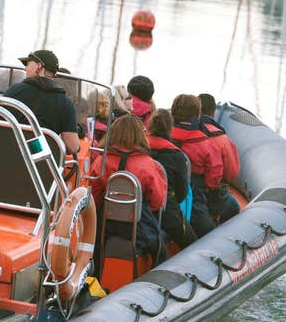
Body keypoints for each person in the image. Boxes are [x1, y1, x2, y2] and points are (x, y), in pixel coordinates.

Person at [89, 115, 167, 260]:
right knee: (161, 252)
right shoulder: (149, 164)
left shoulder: (101, 161)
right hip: (139, 227)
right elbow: (157, 201)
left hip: (105, 226)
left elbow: (93, 196)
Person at [3, 49, 81, 154]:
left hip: (8, 156)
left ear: (39, 66)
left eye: (28, 64)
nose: (25, 68)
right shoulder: (66, 103)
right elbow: (72, 147)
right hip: (44, 167)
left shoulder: (14, 91)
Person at [170, 94, 223, 239]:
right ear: (197, 115)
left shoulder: (162, 134)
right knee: (209, 231)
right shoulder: (206, 144)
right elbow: (214, 180)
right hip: (194, 193)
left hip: (166, 190)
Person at [147, 109, 194, 250]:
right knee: (192, 243)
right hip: (168, 211)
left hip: (143, 209)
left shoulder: (141, 148)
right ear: (170, 128)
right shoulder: (177, 156)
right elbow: (182, 192)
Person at [197, 92, 241, 223]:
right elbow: (232, 172)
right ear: (213, 113)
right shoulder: (222, 139)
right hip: (211, 193)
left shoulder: (184, 132)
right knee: (234, 207)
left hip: (189, 190)